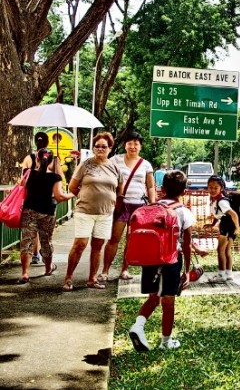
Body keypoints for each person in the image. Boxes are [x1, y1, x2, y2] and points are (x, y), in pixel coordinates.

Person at [128, 170, 208, 351]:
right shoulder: (183, 212)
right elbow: (187, 245)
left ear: (162, 189)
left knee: (153, 298)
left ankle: (138, 326)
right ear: (184, 191)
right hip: (171, 261)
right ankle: (166, 342)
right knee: (168, 302)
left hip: (149, 258)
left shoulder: (152, 208)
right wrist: (187, 271)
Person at [62, 132, 123, 291]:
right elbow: (73, 187)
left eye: (104, 146)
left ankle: (92, 279)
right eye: (97, 146)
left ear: (110, 148)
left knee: (98, 245)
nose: (100, 149)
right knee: (80, 244)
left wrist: (113, 201)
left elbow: (120, 189)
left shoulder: (114, 167)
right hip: (85, 211)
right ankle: (68, 277)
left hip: (105, 214)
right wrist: (84, 197)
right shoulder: (85, 164)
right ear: (93, 148)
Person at [98, 131, 156, 282]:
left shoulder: (145, 164)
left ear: (140, 147)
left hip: (139, 206)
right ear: (125, 145)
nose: (133, 146)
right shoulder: (115, 160)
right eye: (130, 143)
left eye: (136, 144)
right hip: (121, 205)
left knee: (132, 240)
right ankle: (105, 271)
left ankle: (125, 269)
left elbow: (150, 187)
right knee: (114, 238)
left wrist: (152, 205)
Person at [17, 148, 75, 284]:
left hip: (29, 211)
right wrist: (73, 194)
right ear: (51, 161)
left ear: (36, 158)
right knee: (46, 241)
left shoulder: (28, 172)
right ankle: (48, 268)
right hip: (47, 213)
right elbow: (60, 196)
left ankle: (25, 273)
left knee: (27, 241)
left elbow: (21, 186)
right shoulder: (55, 177)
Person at [20, 131, 64, 264]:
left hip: (31, 199)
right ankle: (46, 262)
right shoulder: (54, 159)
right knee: (45, 233)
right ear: (48, 142)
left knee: (29, 233)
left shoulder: (29, 158)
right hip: (48, 201)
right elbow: (60, 177)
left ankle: (34, 254)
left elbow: (22, 180)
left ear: (35, 142)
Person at [203, 175, 240, 283]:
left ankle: (221, 274)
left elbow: (233, 214)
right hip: (229, 226)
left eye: (215, 188)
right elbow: (218, 214)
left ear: (221, 188)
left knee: (220, 251)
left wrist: (237, 227)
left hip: (227, 226)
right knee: (227, 251)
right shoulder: (217, 200)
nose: (212, 190)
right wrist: (212, 224)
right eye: (210, 187)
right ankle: (229, 274)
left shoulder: (221, 201)